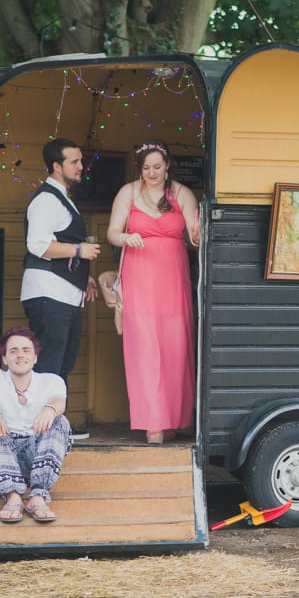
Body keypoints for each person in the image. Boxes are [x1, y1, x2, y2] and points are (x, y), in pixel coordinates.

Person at [106, 139, 200, 444]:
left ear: (168, 165)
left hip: (173, 279)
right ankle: (153, 424)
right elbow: (112, 232)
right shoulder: (128, 192)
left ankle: (174, 418)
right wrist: (125, 237)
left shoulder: (182, 193)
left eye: (157, 167)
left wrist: (199, 232)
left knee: (174, 348)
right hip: (139, 277)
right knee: (144, 350)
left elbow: (195, 236)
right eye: (146, 167)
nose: (152, 172)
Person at [22, 138, 100, 440]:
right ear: (57, 166)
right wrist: (79, 251)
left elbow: (59, 244)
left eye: (81, 161)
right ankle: (42, 430)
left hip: (64, 292)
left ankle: (54, 425)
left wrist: (84, 275)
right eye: (74, 162)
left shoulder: (61, 197)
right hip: (48, 292)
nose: (81, 167)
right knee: (51, 361)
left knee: (63, 360)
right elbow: (38, 244)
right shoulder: (46, 200)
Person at [0, 327, 72, 523]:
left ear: (35, 357)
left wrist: (49, 410)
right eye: (13, 351)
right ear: (5, 358)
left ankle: (38, 496)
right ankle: (12, 497)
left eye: (26, 350)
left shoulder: (52, 381)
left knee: (59, 421)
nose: (20, 355)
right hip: (1, 456)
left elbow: (59, 401)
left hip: (38, 456)